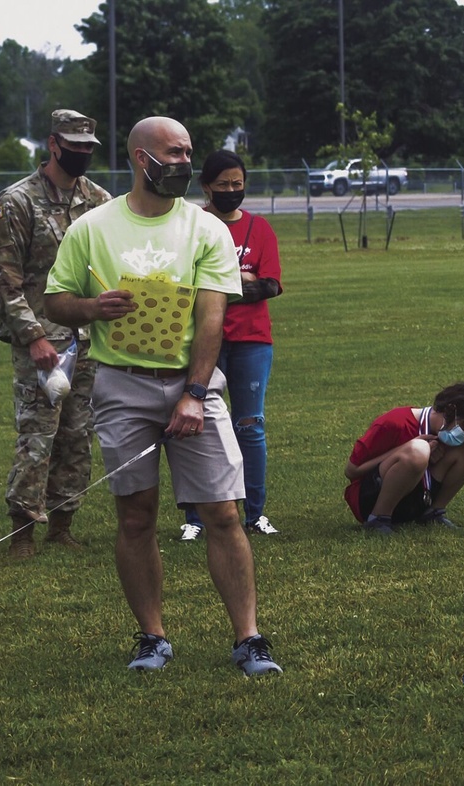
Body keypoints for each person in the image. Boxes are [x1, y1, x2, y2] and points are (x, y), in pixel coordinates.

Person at [43, 116, 281, 677]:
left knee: (224, 512)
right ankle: (152, 637)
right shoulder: (93, 228)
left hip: (193, 383)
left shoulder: (205, 230)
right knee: (135, 518)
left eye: (187, 153)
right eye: (172, 153)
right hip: (121, 384)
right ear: (139, 157)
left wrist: (195, 393)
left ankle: (248, 639)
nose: (182, 163)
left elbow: (211, 318)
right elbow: (55, 300)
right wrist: (91, 309)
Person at [0, 109, 111, 559]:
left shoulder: (99, 200)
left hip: (88, 337)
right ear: (53, 144)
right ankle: (21, 531)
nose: (82, 154)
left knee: (78, 434)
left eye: (87, 148)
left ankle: (62, 525)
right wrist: (33, 337)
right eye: (74, 146)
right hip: (41, 340)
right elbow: (3, 281)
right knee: (38, 434)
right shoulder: (17, 201)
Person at [178, 150, 283, 543]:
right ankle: (195, 517)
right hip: (205, 340)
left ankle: (255, 513)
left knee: (250, 425)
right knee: (196, 424)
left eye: (237, 184)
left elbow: (270, 285)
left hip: (252, 342)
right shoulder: (193, 226)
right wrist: (241, 280)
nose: (231, 191)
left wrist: (220, 286)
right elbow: (184, 284)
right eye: (223, 185)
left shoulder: (260, 229)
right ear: (206, 186)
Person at [344, 382, 464, 534]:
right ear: (449, 410)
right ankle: (378, 518)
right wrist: (404, 449)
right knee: (418, 450)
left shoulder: (446, 438)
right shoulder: (395, 422)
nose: (463, 436)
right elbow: (351, 470)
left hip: (415, 500)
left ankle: (433, 512)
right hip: (371, 498)